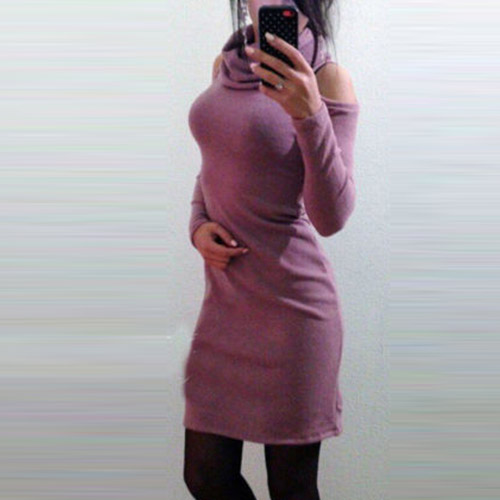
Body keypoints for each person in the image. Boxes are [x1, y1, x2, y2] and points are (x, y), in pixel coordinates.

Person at [182, 1, 360, 499]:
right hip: (225, 306)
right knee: (204, 476)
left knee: (292, 489)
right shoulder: (226, 65)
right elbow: (214, 163)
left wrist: (310, 114)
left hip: (293, 313)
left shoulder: (327, 77)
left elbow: (332, 217)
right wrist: (198, 225)